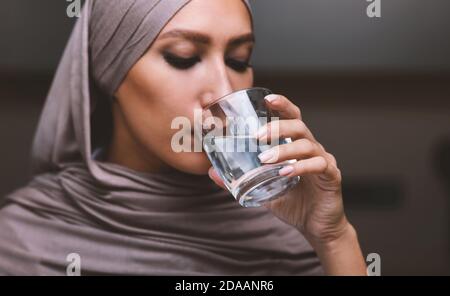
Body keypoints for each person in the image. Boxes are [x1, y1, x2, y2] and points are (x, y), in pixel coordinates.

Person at [0, 0, 366, 275]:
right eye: (183, 57)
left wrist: (333, 238)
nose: (221, 92)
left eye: (239, 60)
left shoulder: (285, 224)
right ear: (107, 70)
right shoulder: (22, 242)